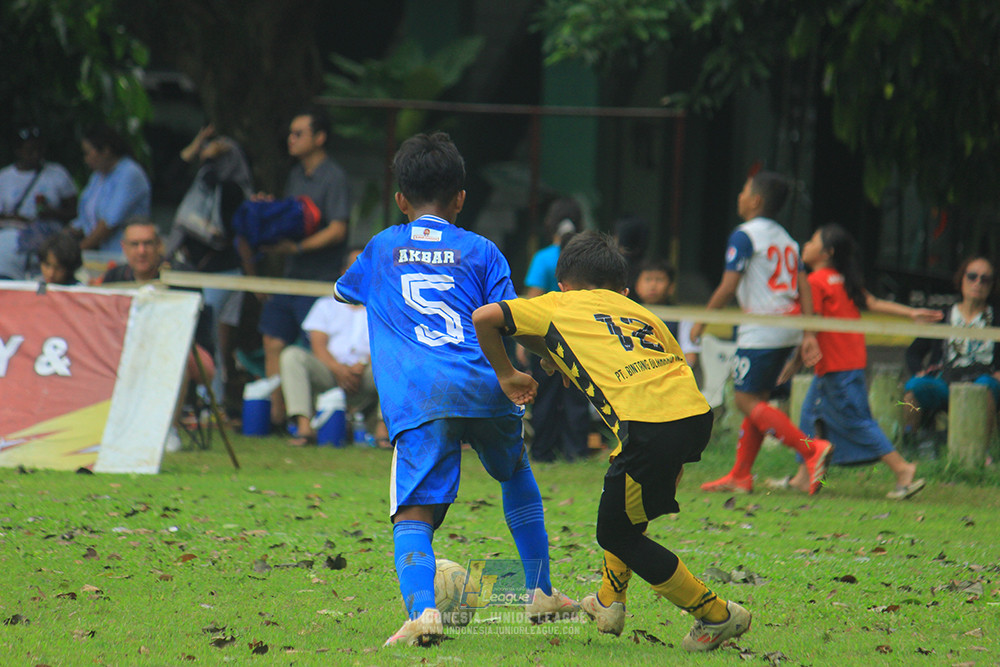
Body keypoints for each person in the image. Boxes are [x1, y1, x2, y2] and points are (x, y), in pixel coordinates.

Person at [333, 132, 578, 647]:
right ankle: (539, 591)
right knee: (514, 472)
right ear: (461, 199)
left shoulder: (381, 247)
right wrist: (550, 358)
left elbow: (343, 291)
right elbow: (509, 319)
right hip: (487, 383)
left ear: (401, 199)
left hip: (421, 397)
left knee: (412, 511)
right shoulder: (483, 250)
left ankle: (424, 612)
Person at [473, 231, 751, 651]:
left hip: (647, 424)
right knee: (624, 505)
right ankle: (609, 601)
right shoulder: (643, 313)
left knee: (616, 534)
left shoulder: (558, 304)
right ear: (623, 289)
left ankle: (716, 614)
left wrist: (508, 373)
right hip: (692, 415)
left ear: (562, 286)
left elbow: (484, 318)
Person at [769, 224, 940, 499]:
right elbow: (872, 303)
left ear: (827, 252)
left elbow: (811, 327)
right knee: (808, 417)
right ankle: (804, 477)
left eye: (813, 241)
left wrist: (794, 362)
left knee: (859, 423)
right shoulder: (841, 278)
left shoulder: (814, 281)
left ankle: (902, 470)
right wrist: (910, 313)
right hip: (845, 364)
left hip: (837, 367)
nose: (806, 245)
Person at [690, 170, 833, 495]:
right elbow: (803, 288)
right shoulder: (787, 238)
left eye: (743, 191)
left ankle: (811, 449)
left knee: (743, 400)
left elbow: (729, 286)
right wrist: (808, 331)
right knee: (758, 401)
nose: (739, 197)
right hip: (787, 329)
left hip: (761, 330)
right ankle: (740, 475)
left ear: (755, 200)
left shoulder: (744, 235)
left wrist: (703, 319)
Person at [256, 107, 352, 426]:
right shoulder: (296, 175)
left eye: (299, 134)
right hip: (290, 276)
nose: (291, 139)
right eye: (290, 133)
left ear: (320, 138)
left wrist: (297, 247)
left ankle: (325, 420)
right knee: (272, 339)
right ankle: (275, 415)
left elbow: (338, 229)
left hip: (320, 280)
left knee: (316, 348)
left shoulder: (335, 176)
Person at [101, 217, 214, 452]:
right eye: (134, 244)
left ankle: (168, 430)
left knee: (176, 356)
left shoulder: (183, 276)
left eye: (148, 244)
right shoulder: (113, 278)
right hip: (123, 350)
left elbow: (192, 332)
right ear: (124, 247)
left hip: (182, 349)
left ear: (159, 246)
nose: (141, 251)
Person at [169, 125, 254, 418]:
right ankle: (204, 400)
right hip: (196, 274)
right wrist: (194, 148)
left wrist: (207, 159)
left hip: (222, 274)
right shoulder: (199, 184)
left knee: (210, 338)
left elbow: (225, 230)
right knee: (204, 337)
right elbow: (170, 179)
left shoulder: (232, 190)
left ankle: (212, 401)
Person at [281, 249, 384, 447]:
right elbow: (317, 345)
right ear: (345, 271)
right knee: (292, 355)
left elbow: (387, 345)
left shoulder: (383, 308)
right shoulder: (326, 304)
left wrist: (362, 364)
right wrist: (338, 369)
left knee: (395, 363)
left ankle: (382, 432)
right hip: (329, 371)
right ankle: (304, 427)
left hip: (368, 372)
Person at [902, 255, 1000, 453]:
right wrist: (919, 371)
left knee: (985, 386)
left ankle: (982, 453)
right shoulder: (943, 316)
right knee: (913, 388)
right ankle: (909, 445)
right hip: (945, 382)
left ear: (992, 285)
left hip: (984, 382)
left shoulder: (997, 317)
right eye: (972, 276)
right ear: (961, 279)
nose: (978, 283)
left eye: (985, 279)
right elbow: (913, 352)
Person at [519, 197, 590, 462]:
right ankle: (577, 450)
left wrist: (521, 340)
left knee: (545, 396)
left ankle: (542, 451)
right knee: (578, 394)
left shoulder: (543, 258)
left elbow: (532, 300)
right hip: (580, 336)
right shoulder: (585, 259)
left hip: (545, 337)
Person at [0, 125, 78, 279]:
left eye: (39, 150)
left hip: (47, 243)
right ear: (18, 150)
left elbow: (74, 213)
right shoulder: (4, 177)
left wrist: (52, 213)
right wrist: (15, 219)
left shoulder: (57, 174)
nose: (36, 155)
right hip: (10, 242)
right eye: (30, 150)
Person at [71, 125, 151, 252]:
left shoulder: (130, 173)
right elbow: (84, 220)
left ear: (106, 151)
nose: (86, 159)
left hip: (124, 254)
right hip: (100, 253)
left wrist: (77, 250)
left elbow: (108, 223)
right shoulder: (98, 176)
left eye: (87, 153)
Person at [633, 257, 701, 372]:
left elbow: (690, 357)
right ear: (637, 285)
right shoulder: (629, 314)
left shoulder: (681, 318)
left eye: (659, 280)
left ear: (671, 287)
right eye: (648, 279)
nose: (653, 285)